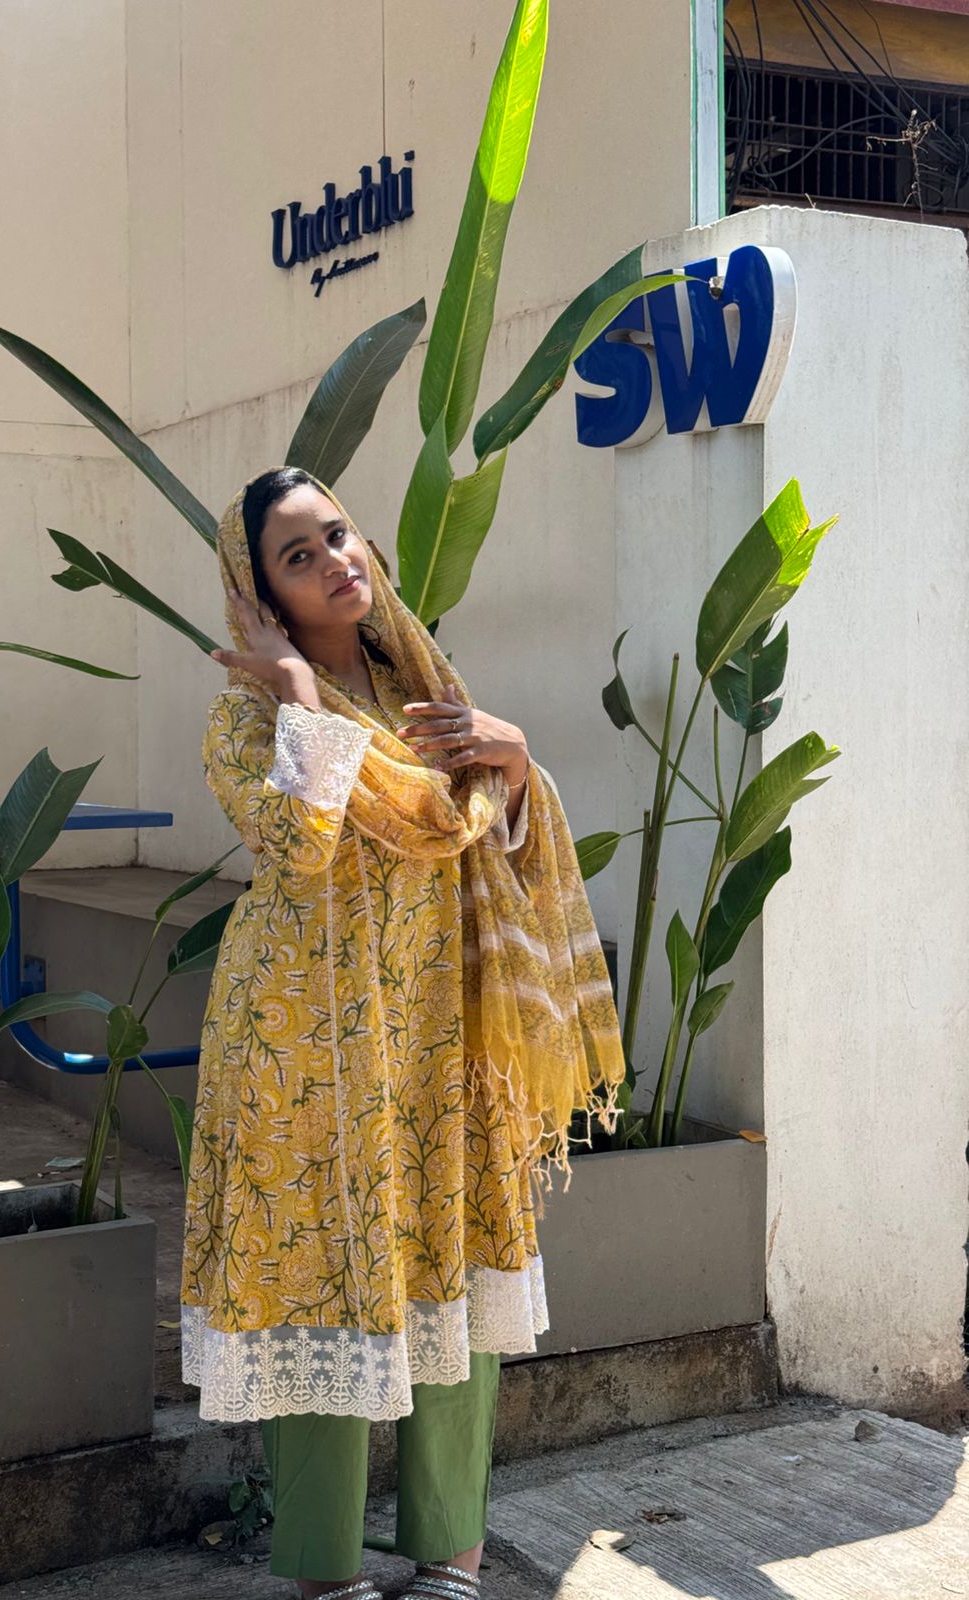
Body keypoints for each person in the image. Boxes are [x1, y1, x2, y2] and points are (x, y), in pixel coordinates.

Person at [180, 466, 624, 1600]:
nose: (337, 561)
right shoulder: (243, 719)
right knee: (316, 1279)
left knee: (451, 1272)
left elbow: (486, 831)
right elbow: (300, 848)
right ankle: (326, 1575)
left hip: (438, 1035)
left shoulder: (428, 694)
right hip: (305, 1040)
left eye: (339, 535)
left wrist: (514, 762)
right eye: (299, 555)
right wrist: (298, 695)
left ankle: (451, 1563)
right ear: (261, 596)